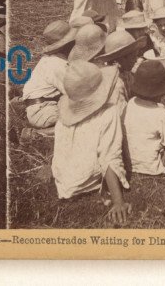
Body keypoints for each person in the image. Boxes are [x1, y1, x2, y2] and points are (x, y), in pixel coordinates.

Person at [52, 60, 131, 224]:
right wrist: (118, 201)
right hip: (84, 180)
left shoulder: (64, 117)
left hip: (63, 179)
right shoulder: (108, 113)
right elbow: (109, 156)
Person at [21, 20, 77, 129]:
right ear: (67, 45)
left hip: (42, 106)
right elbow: (74, 93)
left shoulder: (52, 60)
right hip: (43, 111)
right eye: (73, 42)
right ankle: (39, 134)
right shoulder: (57, 65)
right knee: (83, 119)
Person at [94, 29, 148, 100]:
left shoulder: (126, 73)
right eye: (133, 57)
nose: (135, 60)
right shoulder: (115, 86)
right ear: (122, 58)